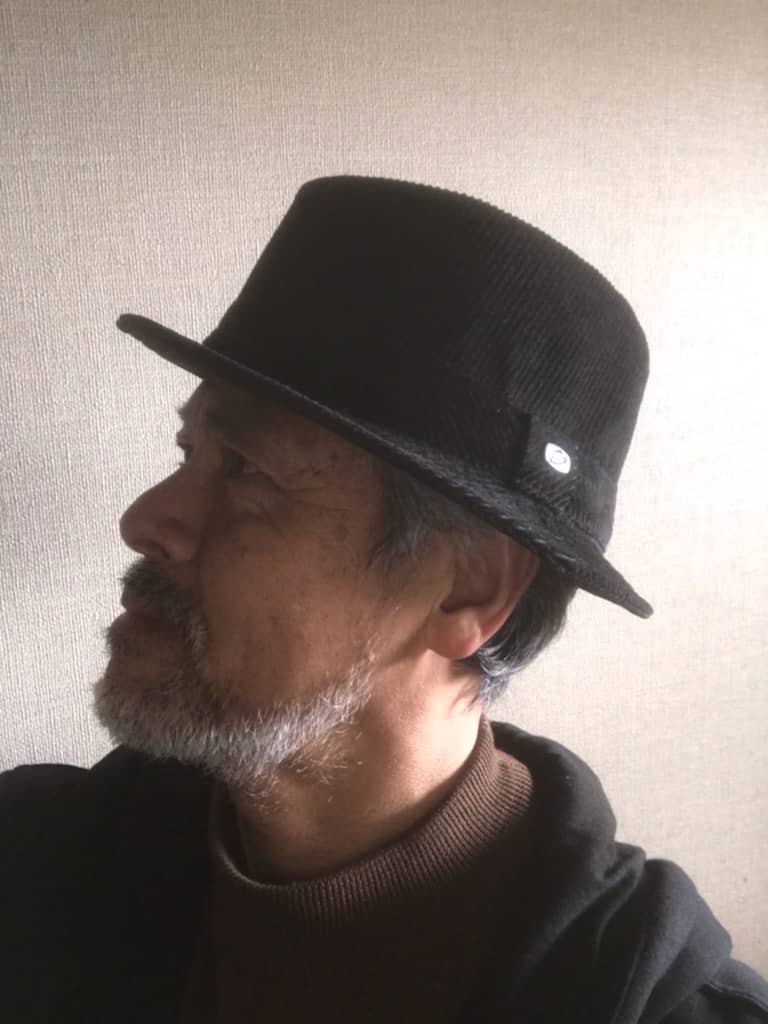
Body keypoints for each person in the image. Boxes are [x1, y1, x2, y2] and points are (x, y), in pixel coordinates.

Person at [1, 176, 765, 1024]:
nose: (145, 521)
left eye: (247, 471)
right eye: (189, 453)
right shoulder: (38, 865)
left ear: (468, 589)